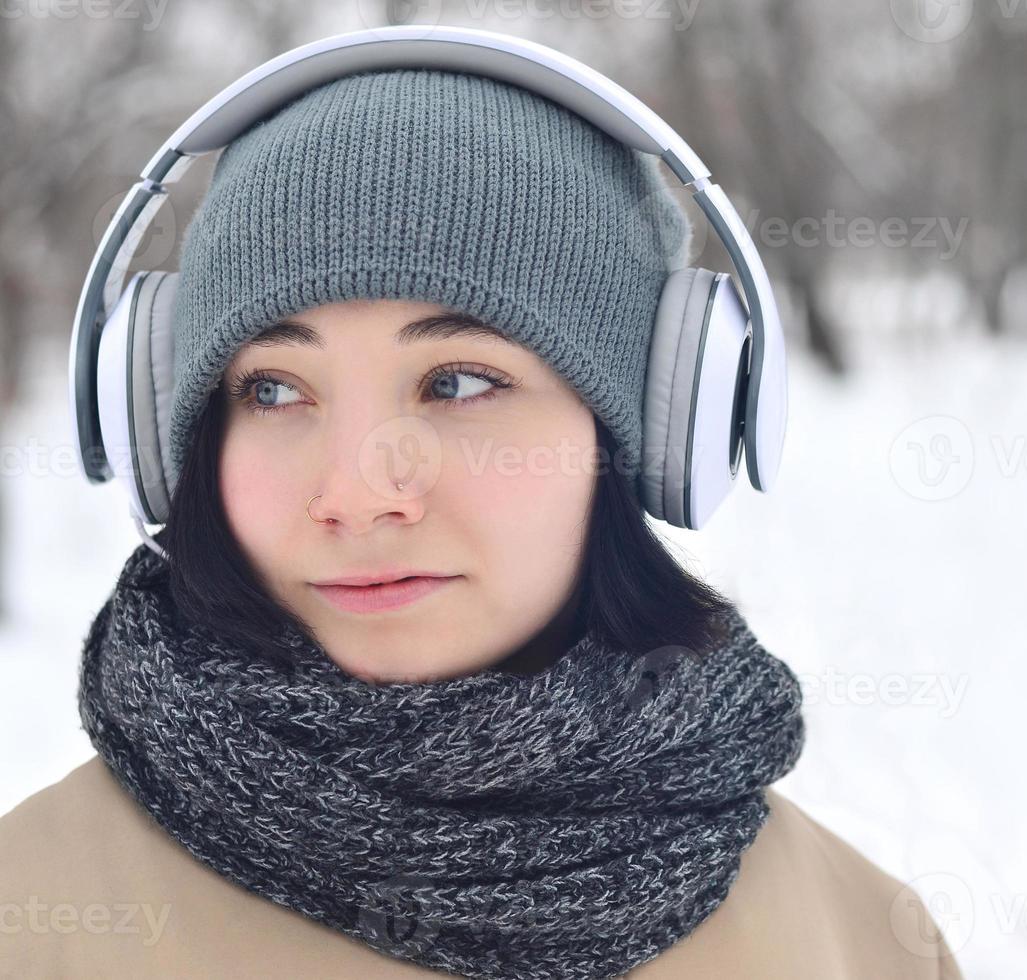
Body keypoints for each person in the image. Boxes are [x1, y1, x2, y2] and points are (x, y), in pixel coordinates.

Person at [0, 56, 962, 980]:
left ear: (654, 429)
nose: (359, 491)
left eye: (458, 382)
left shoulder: (865, 944)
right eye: (277, 391)